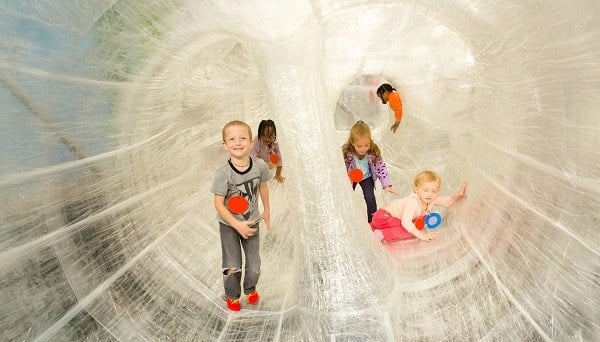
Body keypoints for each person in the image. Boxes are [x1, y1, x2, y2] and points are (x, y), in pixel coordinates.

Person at [211, 120, 272, 312]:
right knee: (233, 265)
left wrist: (267, 210)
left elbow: (262, 185)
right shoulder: (223, 173)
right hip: (229, 225)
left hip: (252, 222)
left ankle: (250, 288)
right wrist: (237, 225)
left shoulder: (260, 166)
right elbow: (219, 204)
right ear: (225, 144)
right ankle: (232, 295)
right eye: (232, 139)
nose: (237, 142)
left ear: (251, 142)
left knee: (254, 266)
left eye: (243, 138)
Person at [371, 170, 468, 242]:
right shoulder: (413, 202)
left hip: (391, 220)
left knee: (414, 228)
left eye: (434, 191)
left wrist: (458, 195)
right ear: (416, 190)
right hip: (382, 218)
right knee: (410, 230)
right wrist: (422, 236)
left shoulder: (432, 199)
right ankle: (382, 234)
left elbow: (447, 202)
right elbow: (405, 222)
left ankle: (380, 230)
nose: (430, 194)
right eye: (426, 190)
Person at [343, 121, 397, 223]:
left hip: (366, 177)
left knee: (370, 198)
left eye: (366, 145)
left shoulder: (373, 151)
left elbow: (381, 168)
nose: (363, 149)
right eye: (359, 146)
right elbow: (341, 165)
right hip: (352, 176)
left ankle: (373, 221)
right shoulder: (347, 152)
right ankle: (347, 220)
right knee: (347, 196)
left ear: (370, 141)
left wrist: (386, 185)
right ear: (352, 143)